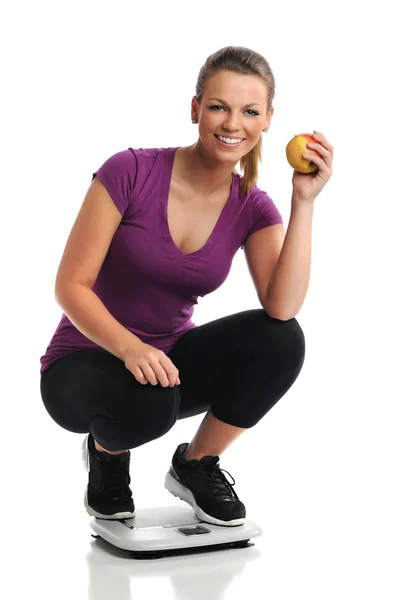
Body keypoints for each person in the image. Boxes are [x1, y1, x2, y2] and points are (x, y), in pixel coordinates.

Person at [39, 46, 333, 527]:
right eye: (218, 106)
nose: (232, 123)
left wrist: (303, 201)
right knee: (152, 402)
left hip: (169, 367)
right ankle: (106, 454)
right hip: (84, 359)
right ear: (196, 108)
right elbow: (71, 286)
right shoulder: (130, 171)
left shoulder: (253, 207)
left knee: (283, 338)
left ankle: (196, 464)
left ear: (267, 121)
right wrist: (131, 349)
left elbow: (282, 306)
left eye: (250, 111)